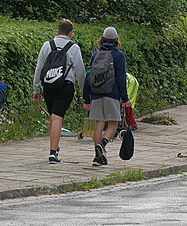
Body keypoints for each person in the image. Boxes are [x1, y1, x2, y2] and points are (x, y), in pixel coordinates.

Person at [33, 19, 86, 163]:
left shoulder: (47, 45)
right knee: (57, 117)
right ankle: (52, 153)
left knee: (52, 116)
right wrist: (83, 90)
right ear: (70, 33)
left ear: (57, 31)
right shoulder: (74, 48)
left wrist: (36, 88)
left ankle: (54, 147)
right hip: (65, 85)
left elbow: (39, 68)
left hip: (48, 85)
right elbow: (80, 72)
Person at [83, 27, 129, 166]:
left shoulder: (96, 54)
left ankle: (97, 158)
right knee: (113, 124)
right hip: (112, 94)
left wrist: (86, 98)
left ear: (102, 39)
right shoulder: (119, 55)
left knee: (99, 124)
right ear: (116, 40)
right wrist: (125, 98)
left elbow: (88, 77)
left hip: (96, 94)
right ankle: (102, 144)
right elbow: (121, 78)